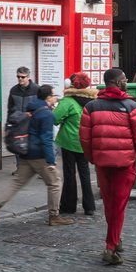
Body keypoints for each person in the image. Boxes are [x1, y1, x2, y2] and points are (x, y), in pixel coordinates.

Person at [80, 68, 136, 266]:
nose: (126, 82)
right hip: (124, 162)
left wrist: (93, 157)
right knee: (118, 204)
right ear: (119, 83)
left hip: (102, 161)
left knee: (110, 204)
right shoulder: (131, 106)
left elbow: (85, 138)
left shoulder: (91, 106)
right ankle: (111, 245)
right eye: (125, 79)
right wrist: (132, 151)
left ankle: (115, 239)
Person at [0, 85, 73, 227]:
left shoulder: (31, 108)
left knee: (17, 183)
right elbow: (46, 138)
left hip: (26, 152)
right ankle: (54, 215)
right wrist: (51, 161)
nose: (55, 97)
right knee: (55, 183)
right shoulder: (46, 114)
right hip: (39, 154)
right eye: (53, 95)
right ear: (48, 97)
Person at [53, 72, 97, 218]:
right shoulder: (92, 102)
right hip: (85, 142)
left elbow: (55, 118)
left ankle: (68, 205)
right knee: (85, 174)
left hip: (69, 142)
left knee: (69, 173)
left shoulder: (68, 101)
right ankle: (89, 206)